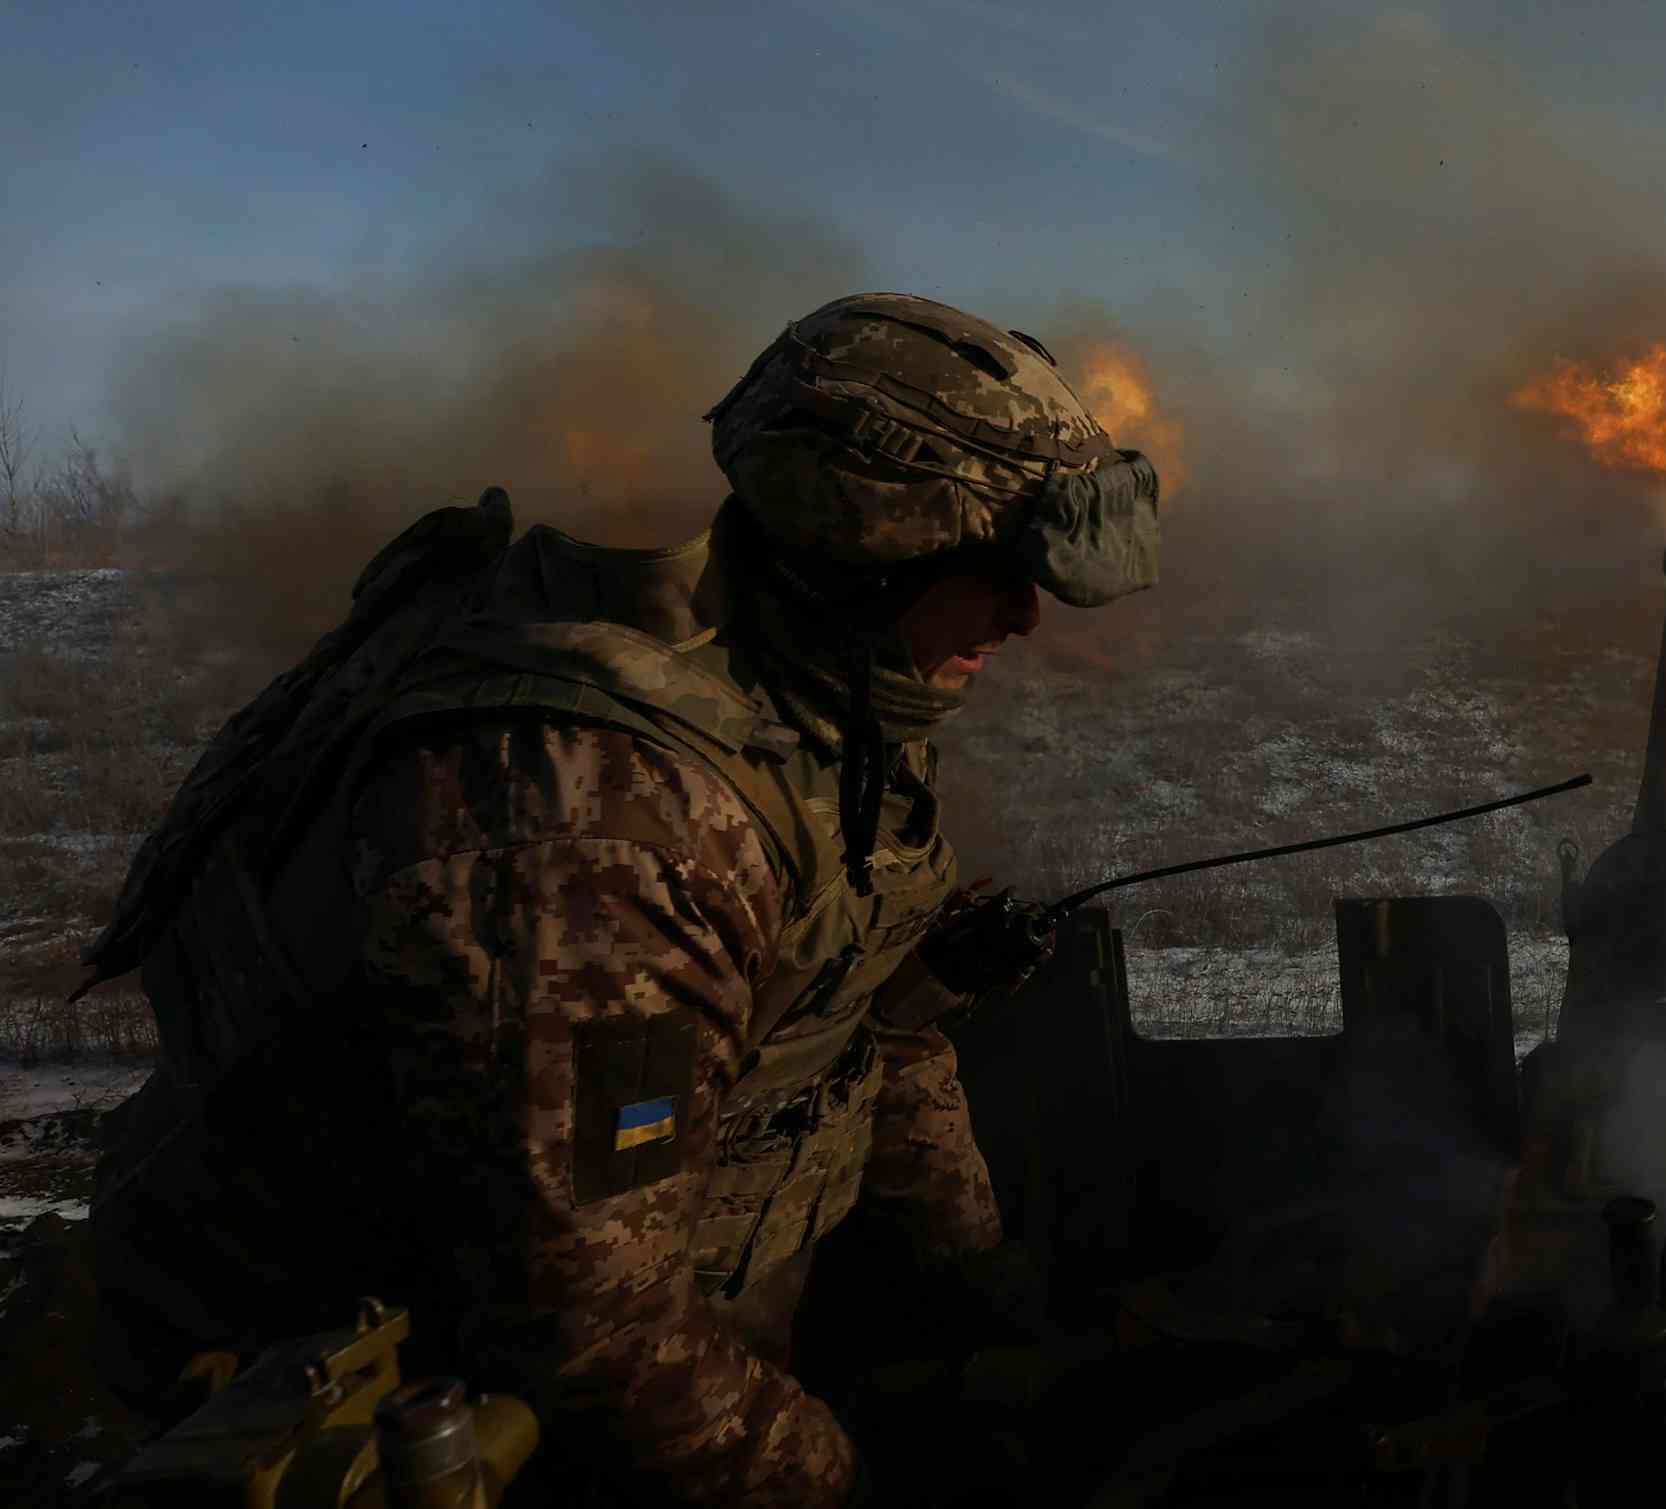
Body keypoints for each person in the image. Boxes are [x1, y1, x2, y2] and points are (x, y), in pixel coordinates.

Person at [83, 293, 1162, 1505]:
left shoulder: (828, 694)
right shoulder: (600, 828)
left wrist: (978, 1281)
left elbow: (862, 1023)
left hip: (638, 1335)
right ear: (864, 549)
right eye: (997, 575)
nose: (1025, 617)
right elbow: (592, 1338)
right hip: (383, 1402)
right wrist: (845, 1486)